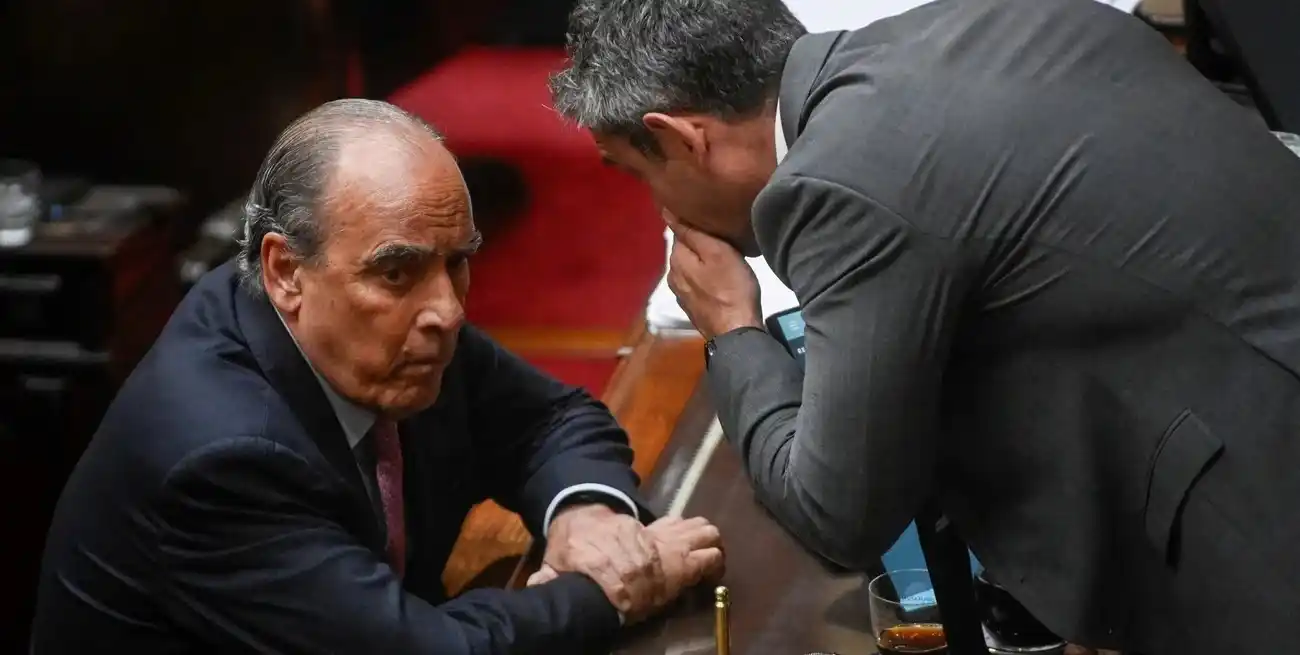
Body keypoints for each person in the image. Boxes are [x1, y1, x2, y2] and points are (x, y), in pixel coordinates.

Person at [550, 0, 1300, 653]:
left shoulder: (838, 184)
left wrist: (732, 327)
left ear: (681, 136)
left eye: (636, 172)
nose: (659, 210)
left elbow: (836, 515)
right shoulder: (1001, 24)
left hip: (1261, 524)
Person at [31, 99, 724, 654]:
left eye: (457, 262)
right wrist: (615, 587)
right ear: (283, 271)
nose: (448, 310)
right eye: (397, 272)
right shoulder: (221, 455)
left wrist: (587, 517)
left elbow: (548, 418)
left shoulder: (379, 330)